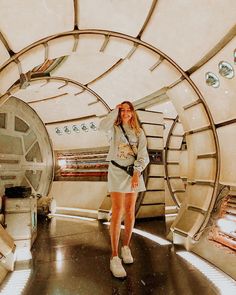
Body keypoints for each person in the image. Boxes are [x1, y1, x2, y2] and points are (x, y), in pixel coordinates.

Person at [99, 101, 150, 278]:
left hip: (133, 173)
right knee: (118, 210)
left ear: (133, 113)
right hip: (116, 172)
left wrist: (137, 172)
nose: (126, 113)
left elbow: (143, 154)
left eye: (129, 110)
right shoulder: (113, 128)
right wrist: (115, 109)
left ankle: (126, 247)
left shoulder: (139, 132)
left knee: (129, 211)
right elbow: (101, 126)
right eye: (123, 111)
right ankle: (114, 256)